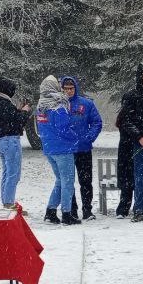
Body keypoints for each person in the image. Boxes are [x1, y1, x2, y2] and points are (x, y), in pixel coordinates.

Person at [35, 75, 81, 225]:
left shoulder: (40, 107)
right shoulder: (58, 106)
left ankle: (51, 211)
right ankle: (67, 214)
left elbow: (41, 129)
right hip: (63, 149)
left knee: (60, 181)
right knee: (68, 182)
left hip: (49, 149)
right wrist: (76, 137)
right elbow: (64, 129)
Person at [115, 64, 143, 221]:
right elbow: (126, 120)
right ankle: (139, 210)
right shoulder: (132, 95)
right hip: (140, 144)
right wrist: (140, 137)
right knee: (139, 178)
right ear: (142, 76)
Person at [0, 76, 30, 210]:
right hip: (11, 140)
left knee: (6, 173)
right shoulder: (4, 103)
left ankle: (6, 202)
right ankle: (9, 204)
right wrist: (25, 112)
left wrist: (18, 111)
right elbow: (17, 122)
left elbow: (6, 120)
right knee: (13, 174)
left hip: (1, 141)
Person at [60, 76, 102, 220]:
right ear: (61, 89)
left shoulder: (86, 104)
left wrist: (89, 137)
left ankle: (87, 210)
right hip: (66, 151)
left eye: (71, 88)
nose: (69, 91)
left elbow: (97, 122)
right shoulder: (58, 105)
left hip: (83, 149)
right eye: (65, 89)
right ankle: (72, 210)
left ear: (75, 88)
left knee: (85, 181)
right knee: (68, 182)